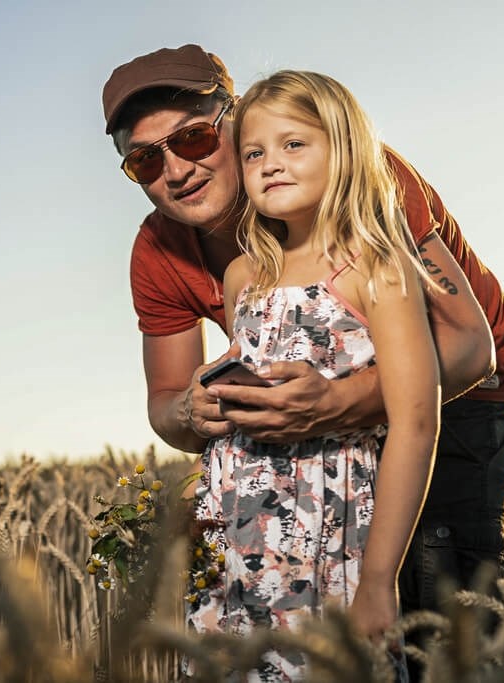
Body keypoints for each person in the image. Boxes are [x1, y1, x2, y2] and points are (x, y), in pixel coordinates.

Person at [101, 43, 504, 629]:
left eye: (193, 138)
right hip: (304, 452)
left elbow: (468, 349)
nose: (175, 170)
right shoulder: (162, 252)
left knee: (432, 624)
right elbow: (167, 403)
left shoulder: (357, 176)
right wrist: (195, 410)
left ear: (237, 118)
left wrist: (334, 405)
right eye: (144, 162)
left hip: (455, 405)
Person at [187, 68, 440, 680]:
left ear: (345, 147)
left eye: (294, 143)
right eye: (254, 152)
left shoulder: (376, 268)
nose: (271, 163)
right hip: (232, 542)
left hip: (325, 537)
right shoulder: (242, 278)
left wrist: (379, 581)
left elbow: (416, 423)